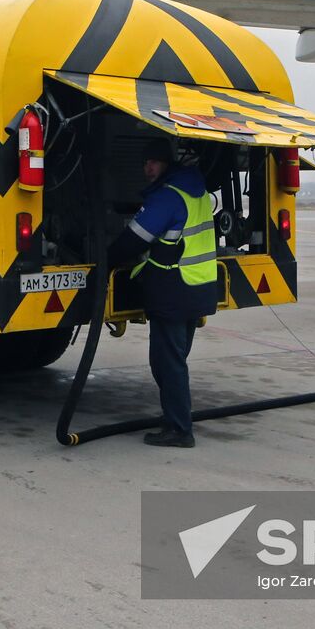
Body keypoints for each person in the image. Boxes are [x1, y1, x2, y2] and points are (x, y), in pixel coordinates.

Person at [107, 136, 217, 448]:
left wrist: (103, 261)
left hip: (175, 290)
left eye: (153, 162)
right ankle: (175, 416)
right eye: (145, 162)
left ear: (167, 163)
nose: (148, 168)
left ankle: (180, 430)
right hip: (197, 288)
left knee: (167, 363)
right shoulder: (196, 190)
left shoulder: (168, 198)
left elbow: (133, 240)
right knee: (176, 359)